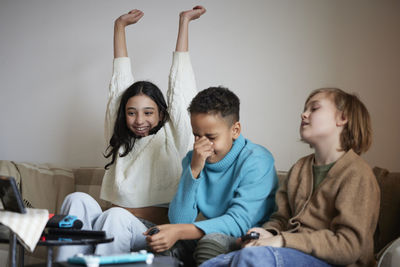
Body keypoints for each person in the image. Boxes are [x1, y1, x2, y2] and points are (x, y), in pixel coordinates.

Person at [56, 6, 206, 261]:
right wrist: (119, 27)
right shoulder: (119, 141)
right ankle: (63, 265)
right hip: (111, 222)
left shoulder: (175, 138)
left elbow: (181, 88)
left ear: (160, 113)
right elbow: (119, 87)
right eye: (131, 112)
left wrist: (184, 23)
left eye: (148, 113)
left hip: (150, 232)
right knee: (77, 198)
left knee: (115, 216)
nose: (139, 120)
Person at [200, 88, 381, 267]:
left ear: (343, 118)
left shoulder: (357, 173)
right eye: (305, 109)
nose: (304, 114)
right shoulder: (300, 168)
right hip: (291, 253)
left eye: (314, 108)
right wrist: (267, 234)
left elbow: (349, 246)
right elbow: (281, 218)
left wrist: (281, 241)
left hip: (330, 261)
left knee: (254, 258)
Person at [145, 86, 279, 266]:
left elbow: (239, 222)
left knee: (210, 243)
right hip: (210, 233)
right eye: (196, 136)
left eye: (211, 137)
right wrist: (193, 171)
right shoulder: (193, 160)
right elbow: (179, 220)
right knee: (160, 243)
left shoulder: (257, 160)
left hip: (246, 239)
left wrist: (179, 231)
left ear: (235, 130)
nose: (202, 145)